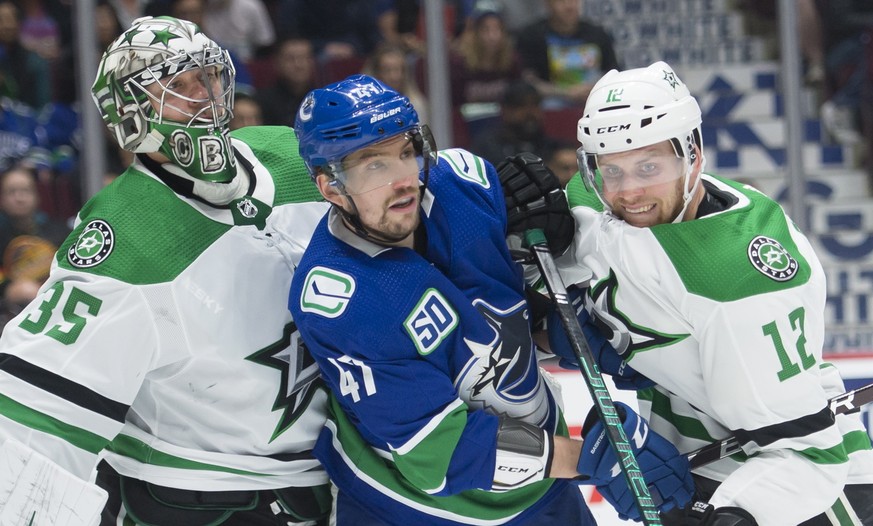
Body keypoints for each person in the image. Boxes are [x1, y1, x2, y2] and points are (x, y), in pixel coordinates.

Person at [288, 73, 694, 525]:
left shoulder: (464, 186)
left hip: (541, 495)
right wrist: (594, 459)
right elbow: (438, 455)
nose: (404, 180)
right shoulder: (341, 301)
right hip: (416, 511)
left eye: (406, 153)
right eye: (373, 166)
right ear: (330, 188)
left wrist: (562, 325)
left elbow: (502, 306)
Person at [501, 60, 873, 524]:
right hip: (683, 469)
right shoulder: (595, 198)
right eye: (609, 170)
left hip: (792, 497)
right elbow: (559, 271)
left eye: (649, 166)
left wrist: (734, 514)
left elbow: (811, 459)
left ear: (693, 154)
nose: (629, 192)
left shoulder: (737, 285)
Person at [0, 16, 333, 525]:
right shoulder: (125, 240)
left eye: (208, 75)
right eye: (176, 86)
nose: (204, 94)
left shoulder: (289, 153)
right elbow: (35, 417)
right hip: (198, 500)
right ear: (129, 114)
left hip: (334, 481)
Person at [514, 0, 619, 109]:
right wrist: (566, 93)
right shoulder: (532, 36)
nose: (569, 6)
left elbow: (613, 72)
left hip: (594, 93)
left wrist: (591, 88)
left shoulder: (597, 34)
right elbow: (529, 81)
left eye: (573, 1)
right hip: (554, 98)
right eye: (561, 2)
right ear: (548, 5)